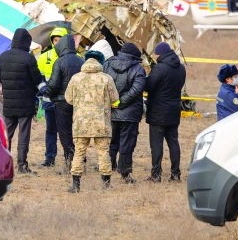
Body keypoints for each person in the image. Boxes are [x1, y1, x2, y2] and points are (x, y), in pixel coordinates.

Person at [64, 50, 119, 192]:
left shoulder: (76, 78)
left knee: (79, 152)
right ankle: (106, 184)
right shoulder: (106, 78)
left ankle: (75, 185)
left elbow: (69, 99)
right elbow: (114, 98)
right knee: (103, 153)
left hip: (81, 123)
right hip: (102, 122)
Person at [0, 28, 46, 175]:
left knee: (7, 135)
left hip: (9, 102)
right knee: (24, 134)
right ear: (27, 42)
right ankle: (22, 165)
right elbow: (37, 79)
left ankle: (4, 165)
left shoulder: (3, 56)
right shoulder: (29, 58)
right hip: (25, 102)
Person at [104, 42, 146, 183]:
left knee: (111, 141)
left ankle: (108, 168)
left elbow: (103, 85)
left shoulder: (107, 65)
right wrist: (120, 102)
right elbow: (137, 89)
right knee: (127, 143)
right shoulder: (138, 69)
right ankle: (124, 173)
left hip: (111, 110)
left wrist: (113, 101)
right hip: (130, 113)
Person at [144, 42, 186, 183]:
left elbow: (148, 86)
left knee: (156, 144)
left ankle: (156, 175)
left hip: (158, 112)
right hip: (174, 111)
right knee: (173, 143)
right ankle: (175, 174)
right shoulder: (181, 68)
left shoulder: (159, 69)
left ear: (159, 54)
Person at [46, 33, 83, 169]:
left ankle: (70, 162)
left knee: (65, 133)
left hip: (62, 103)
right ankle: (80, 159)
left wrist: (48, 94)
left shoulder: (59, 62)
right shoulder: (81, 60)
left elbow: (54, 84)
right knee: (78, 133)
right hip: (79, 103)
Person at [36, 27, 67, 168]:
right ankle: (50, 158)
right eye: (55, 40)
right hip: (49, 101)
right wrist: (43, 90)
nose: (57, 42)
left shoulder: (75, 57)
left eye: (60, 40)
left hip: (66, 102)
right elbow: (39, 77)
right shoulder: (43, 57)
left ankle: (72, 157)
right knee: (50, 131)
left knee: (68, 131)